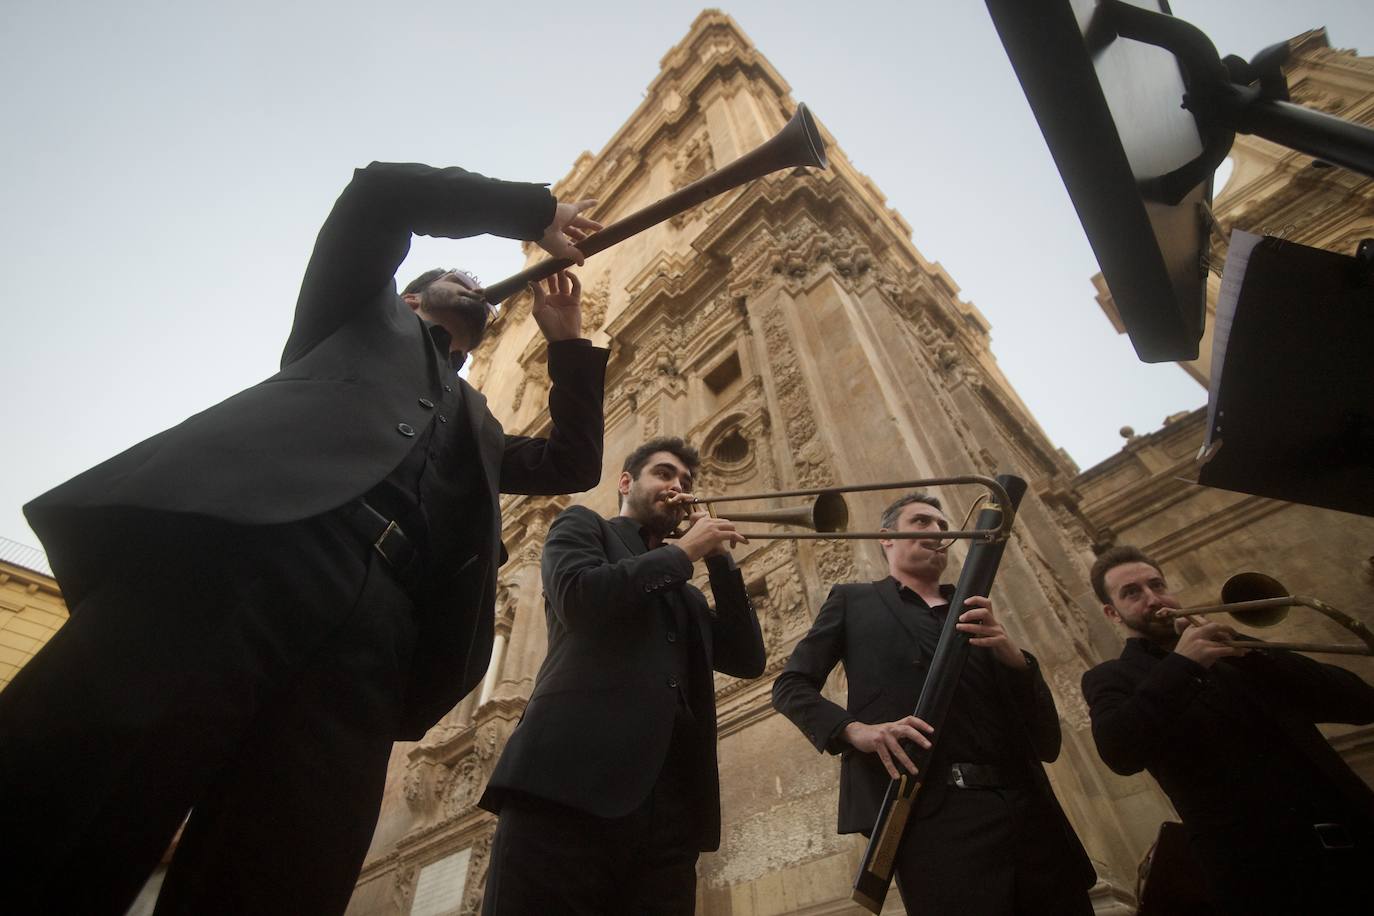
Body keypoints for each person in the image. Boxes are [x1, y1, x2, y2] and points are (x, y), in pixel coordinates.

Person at [0, 161, 608, 916]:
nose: (470, 282)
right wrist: (533, 213)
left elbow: (573, 463)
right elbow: (382, 192)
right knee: (85, 793)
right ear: (412, 295)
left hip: (377, 634)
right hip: (244, 557)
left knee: (285, 865)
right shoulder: (354, 317)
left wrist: (567, 345)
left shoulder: (478, 422)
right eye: (452, 274)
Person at [478, 437, 766, 915]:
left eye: (686, 482)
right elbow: (580, 600)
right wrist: (686, 553)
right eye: (665, 474)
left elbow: (748, 658)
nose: (678, 487)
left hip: (669, 815)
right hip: (564, 788)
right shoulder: (583, 526)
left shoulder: (688, 595)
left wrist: (720, 562)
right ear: (627, 482)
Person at [772, 492, 1095, 916]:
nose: (939, 533)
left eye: (944, 527)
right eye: (923, 522)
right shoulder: (853, 600)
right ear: (886, 537)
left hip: (1030, 814)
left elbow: (1046, 742)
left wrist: (1017, 662)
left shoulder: (979, 613)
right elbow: (791, 686)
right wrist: (858, 731)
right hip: (933, 819)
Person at [1081, 545, 1374, 915]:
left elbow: (1361, 703)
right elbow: (1119, 750)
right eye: (1132, 593)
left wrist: (1254, 652)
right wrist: (1183, 665)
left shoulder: (1239, 655)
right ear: (1112, 613)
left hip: (1357, 842)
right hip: (1264, 877)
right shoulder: (1111, 677)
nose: (1153, 599)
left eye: (1156, 584)